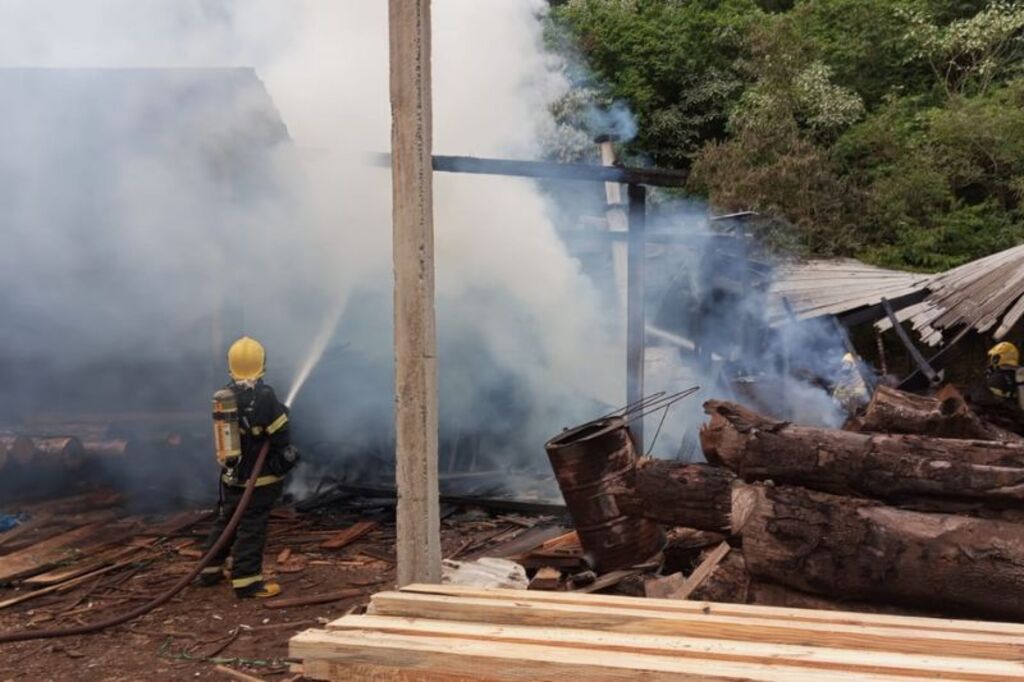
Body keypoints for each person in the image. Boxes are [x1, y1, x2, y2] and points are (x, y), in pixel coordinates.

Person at [199, 336, 298, 598]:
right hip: (259, 481)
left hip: (232, 477)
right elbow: (281, 437)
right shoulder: (265, 396)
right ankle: (247, 581)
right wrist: (282, 416)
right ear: (262, 363)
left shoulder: (226, 395)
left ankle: (209, 570)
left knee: (227, 521)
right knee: (252, 527)